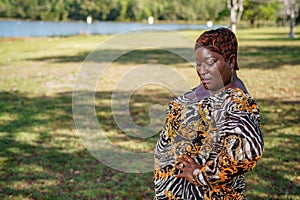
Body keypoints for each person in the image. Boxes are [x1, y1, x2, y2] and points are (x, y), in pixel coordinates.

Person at [153, 28, 264, 200]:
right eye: (198, 63)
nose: (202, 70)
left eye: (210, 62)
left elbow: (249, 150)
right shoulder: (212, 87)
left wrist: (200, 175)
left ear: (231, 61)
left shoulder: (235, 101)